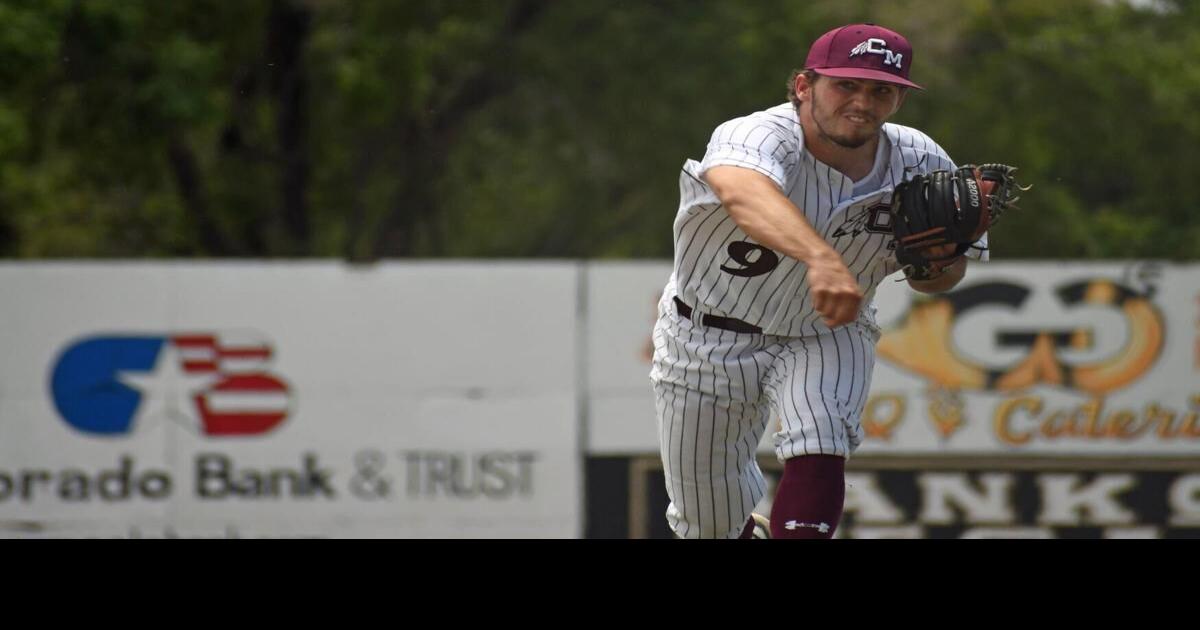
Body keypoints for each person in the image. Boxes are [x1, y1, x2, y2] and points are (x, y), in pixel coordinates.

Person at [649, 23, 986, 539]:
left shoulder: (919, 160)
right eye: (845, 84)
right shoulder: (757, 134)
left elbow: (940, 280)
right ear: (804, 86)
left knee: (819, 434)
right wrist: (822, 259)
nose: (862, 101)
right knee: (707, 525)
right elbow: (742, 192)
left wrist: (938, 262)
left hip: (825, 330)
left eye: (881, 90)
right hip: (707, 333)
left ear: (898, 99)